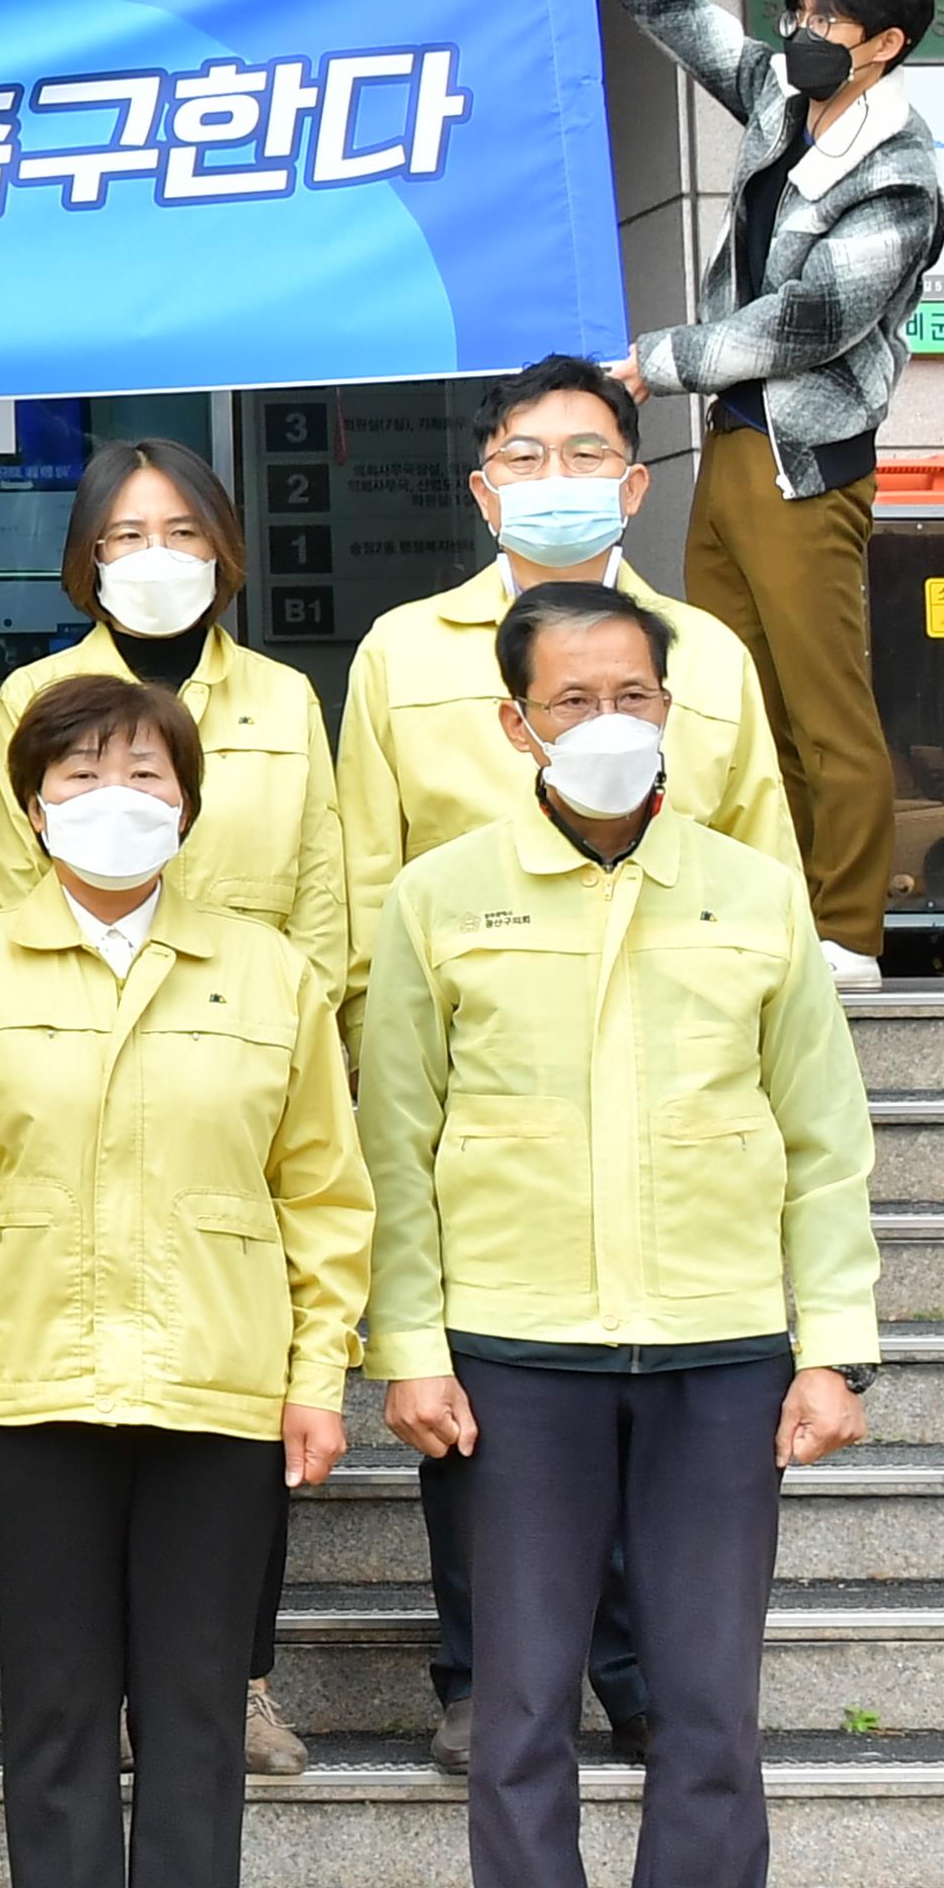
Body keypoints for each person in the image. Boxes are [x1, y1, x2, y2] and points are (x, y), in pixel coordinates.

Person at [356, 580, 882, 1888]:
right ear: (515, 723)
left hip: (722, 1353)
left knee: (709, 1708)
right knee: (522, 1709)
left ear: (672, 709)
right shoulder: (442, 898)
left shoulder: (751, 895)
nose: (607, 724)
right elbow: (396, 1145)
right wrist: (409, 1346)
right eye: (573, 701)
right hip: (519, 1357)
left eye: (633, 697)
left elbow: (823, 1141)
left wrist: (834, 1351)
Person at [0, 673, 371, 1888]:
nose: (117, 800)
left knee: (193, 1712)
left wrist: (317, 1374)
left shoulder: (269, 975)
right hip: (34, 1384)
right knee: (52, 1711)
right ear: (32, 806)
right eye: (83, 776)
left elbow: (323, 1194)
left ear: (189, 804)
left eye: (148, 777)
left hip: (217, 1389)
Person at [335, 356, 801, 1775]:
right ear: (483, 487)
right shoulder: (404, 651)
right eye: (526, 456)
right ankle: (483, 1669)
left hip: (672, 1069)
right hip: (483, 1065)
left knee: (652, 1399)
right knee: (486, 1403)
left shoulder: (705, 655)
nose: (557, 479)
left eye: (586, 453)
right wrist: (369, 1053)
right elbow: (365, 869)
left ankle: (642, 1671)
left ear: (635, 481)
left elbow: (759, 854)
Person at [0, 440, 344, 1782]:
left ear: (226, 548)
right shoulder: (27, 697)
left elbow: (321, 891)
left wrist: (308, 1048)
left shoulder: (284, 701)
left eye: (181, 531)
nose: (155, 557)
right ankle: (90, 1692)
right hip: (64, 1068)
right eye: (125, 535)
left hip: (236, 1071)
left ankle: (231, 1682)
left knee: (235, 1383)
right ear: (85, 557)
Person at [587, 0, 944, 991]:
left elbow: (811, 322)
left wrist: (660, 362)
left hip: (806, 461)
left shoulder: (900, 177)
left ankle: (849, 930)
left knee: (822, 704)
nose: (801, 33)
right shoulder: (787, 105)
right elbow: (693, 28)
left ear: (884, 43)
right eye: (796, 12)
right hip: (735, 450)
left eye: (825, 19)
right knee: (731, 699)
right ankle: (766, 908)